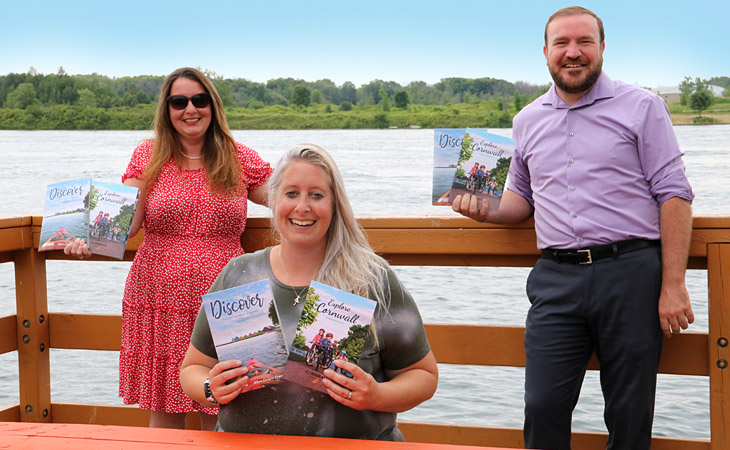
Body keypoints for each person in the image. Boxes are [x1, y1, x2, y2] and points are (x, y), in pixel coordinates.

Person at [453, 7, 694, 450]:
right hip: (556, 279)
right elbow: (521, 201)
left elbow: (675, 194)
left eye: (584, 41)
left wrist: (673, 284)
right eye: (561, 43)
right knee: (542, 405)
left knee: (628, 411)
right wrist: (479, 206)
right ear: (546, 52)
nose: (573, 52)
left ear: (602, 48)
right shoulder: (526, 120)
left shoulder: (643, 107)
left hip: (632, 274)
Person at [180, 144, 438, 440]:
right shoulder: (239, 274)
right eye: (291, 194)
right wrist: (211, 389)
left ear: (334, 204)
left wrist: (376, 395)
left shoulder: (371, 278)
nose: (302, 207)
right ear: (274, 200)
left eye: (316, 195)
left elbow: (424, 376)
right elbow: (193, 369)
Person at [64, 67, 272, 430]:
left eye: (199, 100)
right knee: (165, 404)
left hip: (230, 293)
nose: (190, 109)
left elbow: (288, 199)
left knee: (228, 405)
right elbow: (125, 224)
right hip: (160, 295)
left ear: (212, 105)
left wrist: (321, 199)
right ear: (167, 109)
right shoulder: (147, 155)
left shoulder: (238, 157)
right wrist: (88, 238)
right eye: (179, 101)